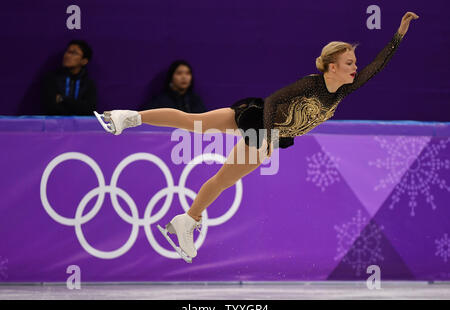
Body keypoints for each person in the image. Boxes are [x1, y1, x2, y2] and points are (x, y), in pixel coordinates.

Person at [93, 12, 419, 262]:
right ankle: (130, 121)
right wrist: (262, 139)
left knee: (213, 161)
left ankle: (183, 216)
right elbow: (276, 99)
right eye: (349, 62)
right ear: (331, 66)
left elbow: (377, 65)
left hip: (268, 133)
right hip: (259, 119)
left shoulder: (344, 90)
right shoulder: (311, 84)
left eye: (354, 63)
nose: (355, 67)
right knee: (207, 149)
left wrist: (400, 33)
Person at [42, 40, 97, 115]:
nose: (67, 55)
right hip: (56, 124)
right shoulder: (51, 79)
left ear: (84, 61)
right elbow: (50, 107)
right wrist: (77, 105)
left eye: (74, 53)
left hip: (80, 125)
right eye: (67, 51)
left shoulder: (88, 83)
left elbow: (89, 109)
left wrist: (62, 99)